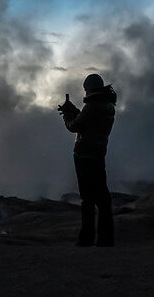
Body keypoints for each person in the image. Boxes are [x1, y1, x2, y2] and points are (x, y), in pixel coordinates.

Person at [59, 73, 117, 247]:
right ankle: (106, 239)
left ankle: (86, 238)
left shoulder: (92, 107)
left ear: (89, 89)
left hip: (84, 156)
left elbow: (75, 126)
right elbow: (88, 121)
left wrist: (67, 115)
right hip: (98, 154)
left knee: (88, 199)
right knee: (103, 199)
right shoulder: (108, 105)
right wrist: (76, 111)